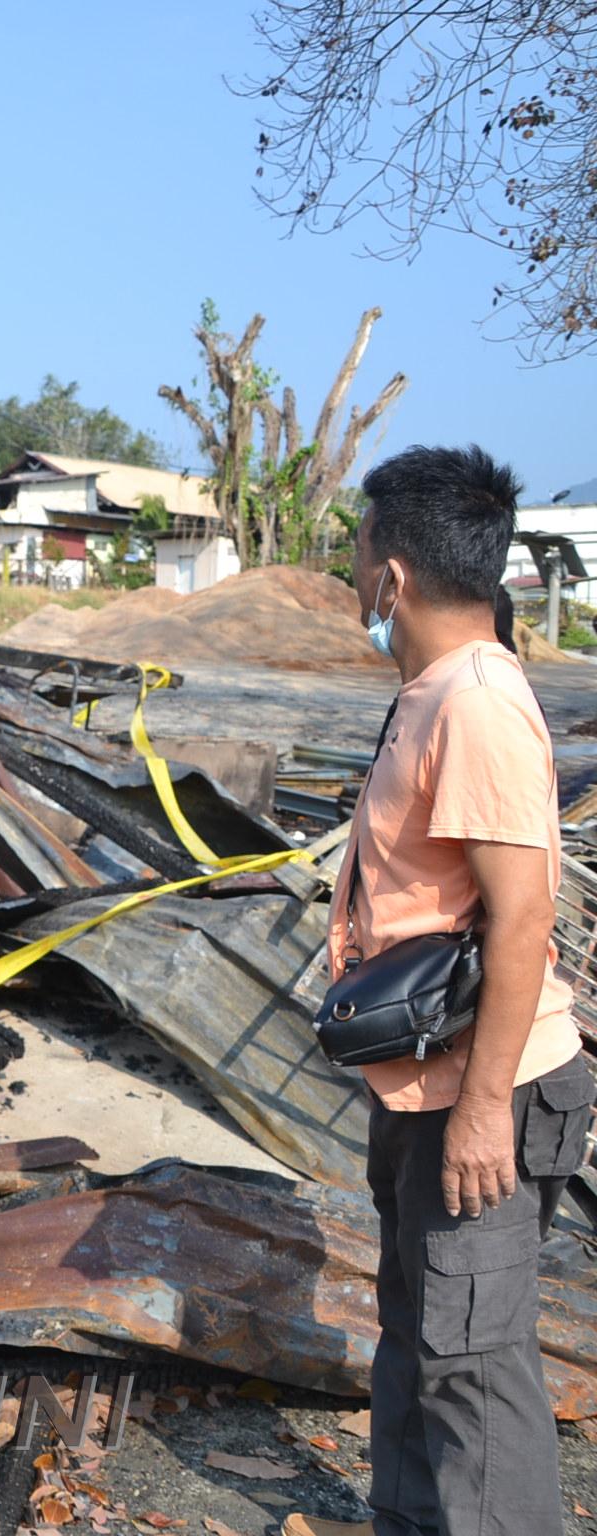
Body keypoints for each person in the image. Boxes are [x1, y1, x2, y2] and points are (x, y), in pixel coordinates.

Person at [286, 446, 594, 1536]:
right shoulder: (427, 693)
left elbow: (522, 923)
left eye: (358, 550)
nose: (353, 573)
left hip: (485, 1092)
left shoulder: (474, 706)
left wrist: (480, 1113)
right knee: (419, 1329)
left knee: (472, 1364)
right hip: (426, 1085)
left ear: (394, 575)